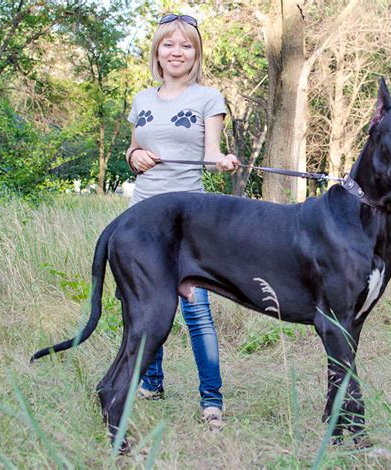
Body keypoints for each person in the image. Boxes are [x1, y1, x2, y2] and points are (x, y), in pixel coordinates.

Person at [124, 13, 238, 431]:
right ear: (157, 51)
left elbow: (212, 152)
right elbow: (134, 153)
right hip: (142, 215)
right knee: (147, 305)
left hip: (189, 219)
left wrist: (223, 161)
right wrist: (134, 157)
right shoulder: (142, 99)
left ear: (196, 53)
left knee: (196, 311)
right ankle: (151, 383)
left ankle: (212, 401)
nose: (177, 51)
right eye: (169, 44)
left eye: (186, 45)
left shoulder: (208, 97)